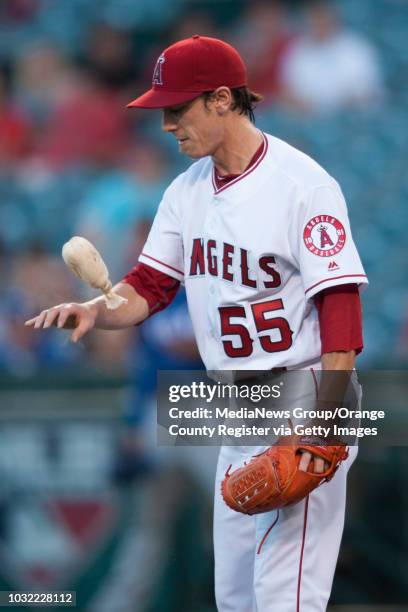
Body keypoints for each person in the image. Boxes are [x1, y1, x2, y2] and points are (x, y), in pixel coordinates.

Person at [26, 35, 368, 611]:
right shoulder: (185, 193)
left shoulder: (302, 186)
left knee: (286, 598)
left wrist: (326, 423)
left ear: (222, 100)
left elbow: (341, 311)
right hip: (232, 407)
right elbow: (148, 288)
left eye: (176, 108)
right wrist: (94, 312)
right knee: (234, 597)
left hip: (302, 397)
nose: (166, 124)